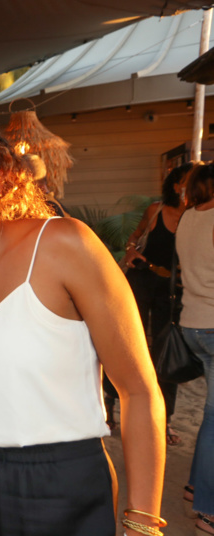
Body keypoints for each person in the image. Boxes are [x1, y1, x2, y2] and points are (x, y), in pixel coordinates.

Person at [0, 111, 166, 536]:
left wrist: (144, 522)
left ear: (0, 175)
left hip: (63, 484)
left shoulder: (62, 244)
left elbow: (138, 389)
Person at [120, 162, 194, 444]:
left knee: (167, 352)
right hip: (142, 279)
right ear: (176, 185)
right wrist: (129, 253)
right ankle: (115, 408)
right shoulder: (156, 210)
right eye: (189, 180)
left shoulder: (199, 216)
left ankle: (165, 420)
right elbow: (135, 237)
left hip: (173, 289)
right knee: (131, 344)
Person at [175, 162, 214, 535]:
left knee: (212, 414)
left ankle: (194, 487)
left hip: (192, 322)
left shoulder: (187, 217)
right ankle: (208, 510)